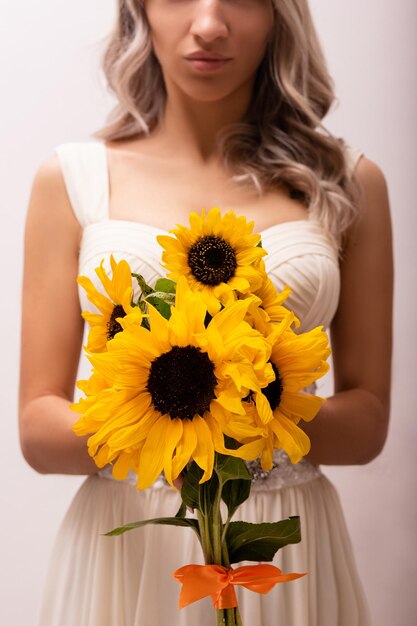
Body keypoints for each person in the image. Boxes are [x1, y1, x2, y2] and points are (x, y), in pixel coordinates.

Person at [19, 1, 393, 624]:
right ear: (138, 8)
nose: (210, 24)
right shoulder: (73, 179)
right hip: (128, 548)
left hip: (284, 540)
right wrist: (169, 408)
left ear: (280, 15)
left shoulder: (350, 183)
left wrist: (227, 406)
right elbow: (38, 428)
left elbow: (367, 424)